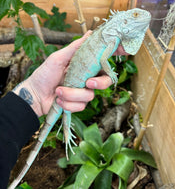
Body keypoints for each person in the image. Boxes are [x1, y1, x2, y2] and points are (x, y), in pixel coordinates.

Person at [0, 31, 128, 188]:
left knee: (65, 102)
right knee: (64, 104)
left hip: (52, 92)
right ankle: (66, 131)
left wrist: (34, 91)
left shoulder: (110, 38)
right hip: (65, 87)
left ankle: (66, 130)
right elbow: (103, 59)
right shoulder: (108, 36)